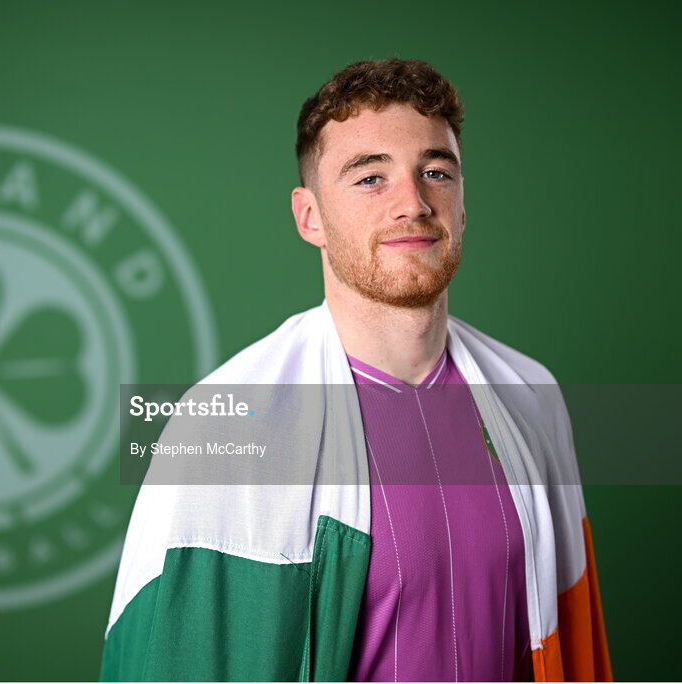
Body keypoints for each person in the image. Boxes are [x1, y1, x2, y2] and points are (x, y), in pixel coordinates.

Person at [100, 59, 611, 682]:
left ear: (462, 199)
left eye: (435, 171)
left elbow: (568, 642)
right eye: (371, 178)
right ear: (309, 217)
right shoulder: (223, 424)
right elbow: (174, 657)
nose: (413, 204)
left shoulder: (530, 395)